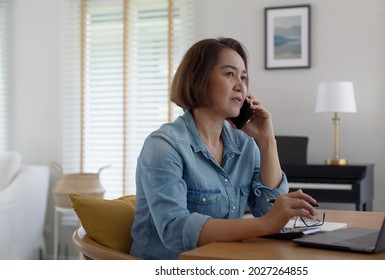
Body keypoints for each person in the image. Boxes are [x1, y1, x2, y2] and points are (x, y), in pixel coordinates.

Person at [130, 37, 318, 259]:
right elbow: (175, 229)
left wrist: (267, 140)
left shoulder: (245, 145)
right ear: (198, 79)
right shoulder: (163, 146)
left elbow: (270, 212)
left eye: (244, 77)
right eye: (229, 74)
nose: (240, 86)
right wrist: (265, 224)